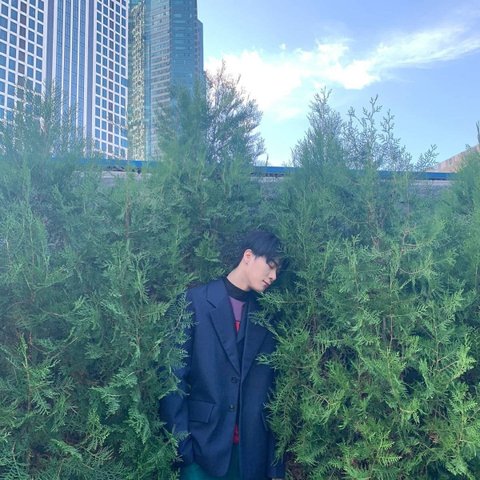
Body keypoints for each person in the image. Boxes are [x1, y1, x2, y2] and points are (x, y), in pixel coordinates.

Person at [160, 230, 286, 480]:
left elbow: (275, 394)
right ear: (248, 256)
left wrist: (274, 467)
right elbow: (172, 380)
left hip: (251, 458)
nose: (273, 276)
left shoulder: (267, 317)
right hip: (201, 453)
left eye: (277, 271)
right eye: (270, 266)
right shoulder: (194, 302)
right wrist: (182, 450)